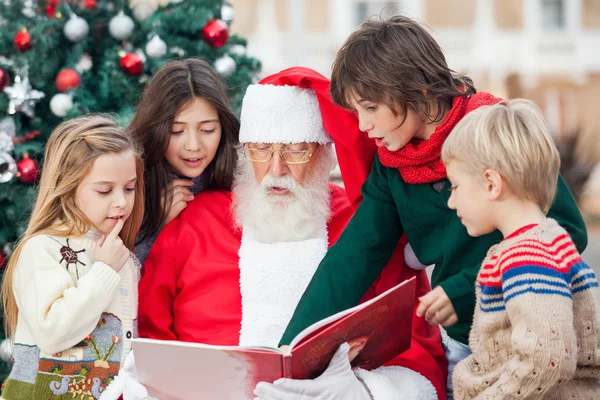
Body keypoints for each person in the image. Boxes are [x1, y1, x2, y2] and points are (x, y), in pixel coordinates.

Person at [280, 15, 588, 399]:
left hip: (540, 338)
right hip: (464, 347)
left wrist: (463, 290)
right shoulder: (392, 165)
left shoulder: (493, 131)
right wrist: (291, 349)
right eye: (356, 111)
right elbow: (354, 256)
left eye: (370, 107)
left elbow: (566, 230)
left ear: (415, 89)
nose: (362, 125)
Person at [138, 67, 446, 399]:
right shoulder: (197, 219)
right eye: (261, 150)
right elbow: (146, 339)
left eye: (295, 151)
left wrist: (359, 392)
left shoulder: (363, 225)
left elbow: (419, 347)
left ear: (323, 155)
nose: (276, 168)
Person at [443, 100, 600, 399]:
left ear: (491, 184)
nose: (451, 202)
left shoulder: (527, 258)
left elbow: (547, 360)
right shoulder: (552, 240)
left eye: (455, 187)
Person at [0, 115, 144, 399]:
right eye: (105, 190)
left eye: (130, 188)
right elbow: (53, 333)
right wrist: (104, 271)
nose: (122, 201)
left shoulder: (118, 254)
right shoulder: (41, 249)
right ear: (68, 187)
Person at [129, 58, 239, 264]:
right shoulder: (128, 183)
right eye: (177, 131)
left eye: (207, 130)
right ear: (156, 130)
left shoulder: (243, 177)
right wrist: (158, 225)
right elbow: (113, 277)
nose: (194, 145)